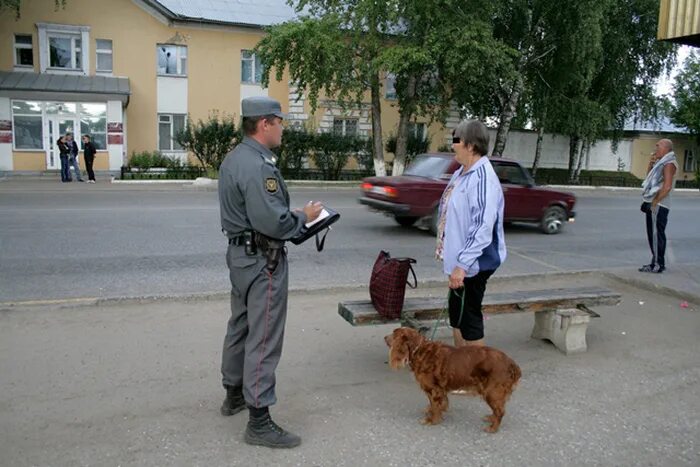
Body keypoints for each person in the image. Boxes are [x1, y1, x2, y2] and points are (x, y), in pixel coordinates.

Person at [218, 96, 322, 449]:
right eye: (280, 121)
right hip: (264, 261)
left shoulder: (235, 158)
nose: (282, 128)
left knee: (241, 325)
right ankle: (259, 421)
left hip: (240, 256)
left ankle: (233, 393)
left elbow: (254, 211)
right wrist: (303, 217)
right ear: (265, 123)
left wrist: (285, 215)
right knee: (263, 336)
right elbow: (272, 221)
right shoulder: (260, 165)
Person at [435, 120, 506, 348]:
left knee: (469, 320)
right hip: (459, 261)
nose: (453, 145)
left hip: (474, 263)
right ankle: (461, 370)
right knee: (457, 317)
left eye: (457, 140)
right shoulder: (461, 173)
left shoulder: (483, 178)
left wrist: (462, 266)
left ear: (471, 145)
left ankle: (479, 377)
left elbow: (482, 228)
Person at [639, 138, 677, 273]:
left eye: (658, 146)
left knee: (656, 235)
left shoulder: (669, 164)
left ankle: (658, 264)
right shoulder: (661, 163)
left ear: (666, 148)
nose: (656, 148)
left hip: (660, 204)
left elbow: (666, 187)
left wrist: (655, 202)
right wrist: (651, 164)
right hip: (656, 203)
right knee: (653, 234)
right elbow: (649, 179)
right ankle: (656, 262)